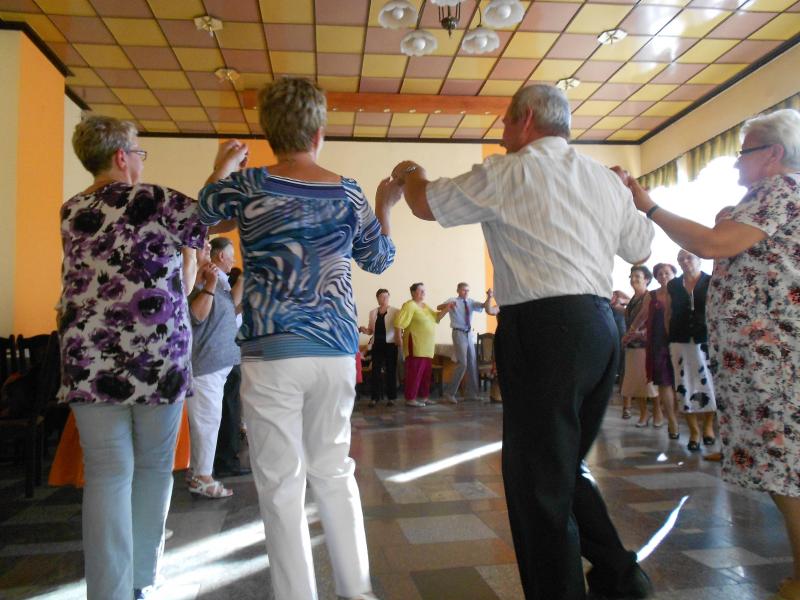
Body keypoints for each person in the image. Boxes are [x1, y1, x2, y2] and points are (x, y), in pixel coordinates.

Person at [391, 83, 655, 600]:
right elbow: (640, 248)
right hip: (599, 327)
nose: (502, 130)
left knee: (536, 483)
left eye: (507, 121)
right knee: (561, 468)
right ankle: (621, 576)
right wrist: (626, 192)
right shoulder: (603, 179)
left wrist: (409, 171)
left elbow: (424, 204)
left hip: (544, 330)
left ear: (527, 118)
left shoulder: (507, 172)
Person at [197, 77, 398, 600]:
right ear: (319, 134)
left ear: (269, 133)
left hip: (271, 352)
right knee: (334, 472)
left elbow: (202, 216)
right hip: (334, 350)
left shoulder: (249, 185)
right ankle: (357, 592)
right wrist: (385, 205)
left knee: (281, 485)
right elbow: (379, 259)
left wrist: (222, 166)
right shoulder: (348, 191)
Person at [615, 107, 800, 600]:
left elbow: (713, 244)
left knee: (787, 467)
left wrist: (648, 205)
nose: (737, 162)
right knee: (782, 465)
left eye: (744, 153)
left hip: (775, 357)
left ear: (773, 154)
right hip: (764, 355)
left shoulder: (779, 189)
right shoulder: (768, 195)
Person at [58, 115, 207, 599]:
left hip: (88, 359)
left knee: (106, 475)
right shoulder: (153, 199)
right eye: (139, 152)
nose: (141, 161)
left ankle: (109, 592)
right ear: (122, 157)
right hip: (157, 358)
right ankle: (143, 578)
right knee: (154, 468)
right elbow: (208, 219)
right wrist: (223, 171)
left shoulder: (70, 209)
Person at [186, 236, 243, 497]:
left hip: (217, 363)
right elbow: (197, 315)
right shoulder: (196, 278)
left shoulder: (214, 278)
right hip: (205, 362)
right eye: (203, 246)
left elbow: (229, 310)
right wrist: (208, 285)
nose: (207, 249)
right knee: (206, 422)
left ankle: (198, 472)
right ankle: (202, 477)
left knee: (209, 420)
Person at [666, 250, 717, 452]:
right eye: (681, 259)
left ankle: (708, 427)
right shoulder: (673, 285)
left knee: (709, 383)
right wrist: (669, 335)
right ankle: (694, 431)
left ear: (699, 259)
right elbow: (668, 312)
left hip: (706, 340)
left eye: (689, 257)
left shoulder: (711, 281)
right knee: (684, 385)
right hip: (679, 340)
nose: (685, 261)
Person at [625, 263, 680, 438]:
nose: (663, 276)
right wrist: (631, 331)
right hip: (658, 343)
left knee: (679, 382)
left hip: (680, 340)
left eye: (667, 273)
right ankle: (672, 421)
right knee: (663, 382)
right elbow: (642, 315)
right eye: (660, 274)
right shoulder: (652, 295)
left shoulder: (681, 292)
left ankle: (676, 417)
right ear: (655, 277)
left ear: (674, 274)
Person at [394, 283, 450, 407]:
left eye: (424, 290)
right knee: (414, 373)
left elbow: (436, 317)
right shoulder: (410, 305)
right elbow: (399, 322)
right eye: (421, 291)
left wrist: (447, 309)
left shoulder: (425, 306)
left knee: (426, 374)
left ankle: (424, 397)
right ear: (413, 293)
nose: (424, 293)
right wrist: (398, 338)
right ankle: (410, 398)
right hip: (415, 345)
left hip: (427, 347)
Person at [437, 283, 492, 404]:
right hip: (458, 333)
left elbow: (484, 306)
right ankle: (449, 393)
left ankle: (472, 394)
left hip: (469, 334)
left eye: (467, 290)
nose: (466, 292)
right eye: (463, 290)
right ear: (458, 290)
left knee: (472, 363)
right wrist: (448, 305)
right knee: (463, 363)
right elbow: (438, 307)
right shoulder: (453, 300)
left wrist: (489, 297)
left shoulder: (471, 302)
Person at [621, 266, 659, 428]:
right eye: (632, 276)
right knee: (635, 383)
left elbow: (653, 320)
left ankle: (657, 413)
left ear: (647, 279)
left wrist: (639, 333)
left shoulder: (649, 296)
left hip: (645, 345)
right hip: (632, 345)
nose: (634, 279)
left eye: (638, 276)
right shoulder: (633, 299)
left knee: (649, 383)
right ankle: (644, 413)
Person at [359, 288, 401, 407]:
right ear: (377, 298)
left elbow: (399, 328)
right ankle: (374, 398)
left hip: (391, 344)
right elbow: (370, 331)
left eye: (386, 296)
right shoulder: (372, 312)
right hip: (377, 344)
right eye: (382, 297)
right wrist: (364, 330)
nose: (384, 299)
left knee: (391, 371)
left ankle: (391, 398)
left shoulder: (396, 311)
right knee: (375, 371)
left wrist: (399, 340)